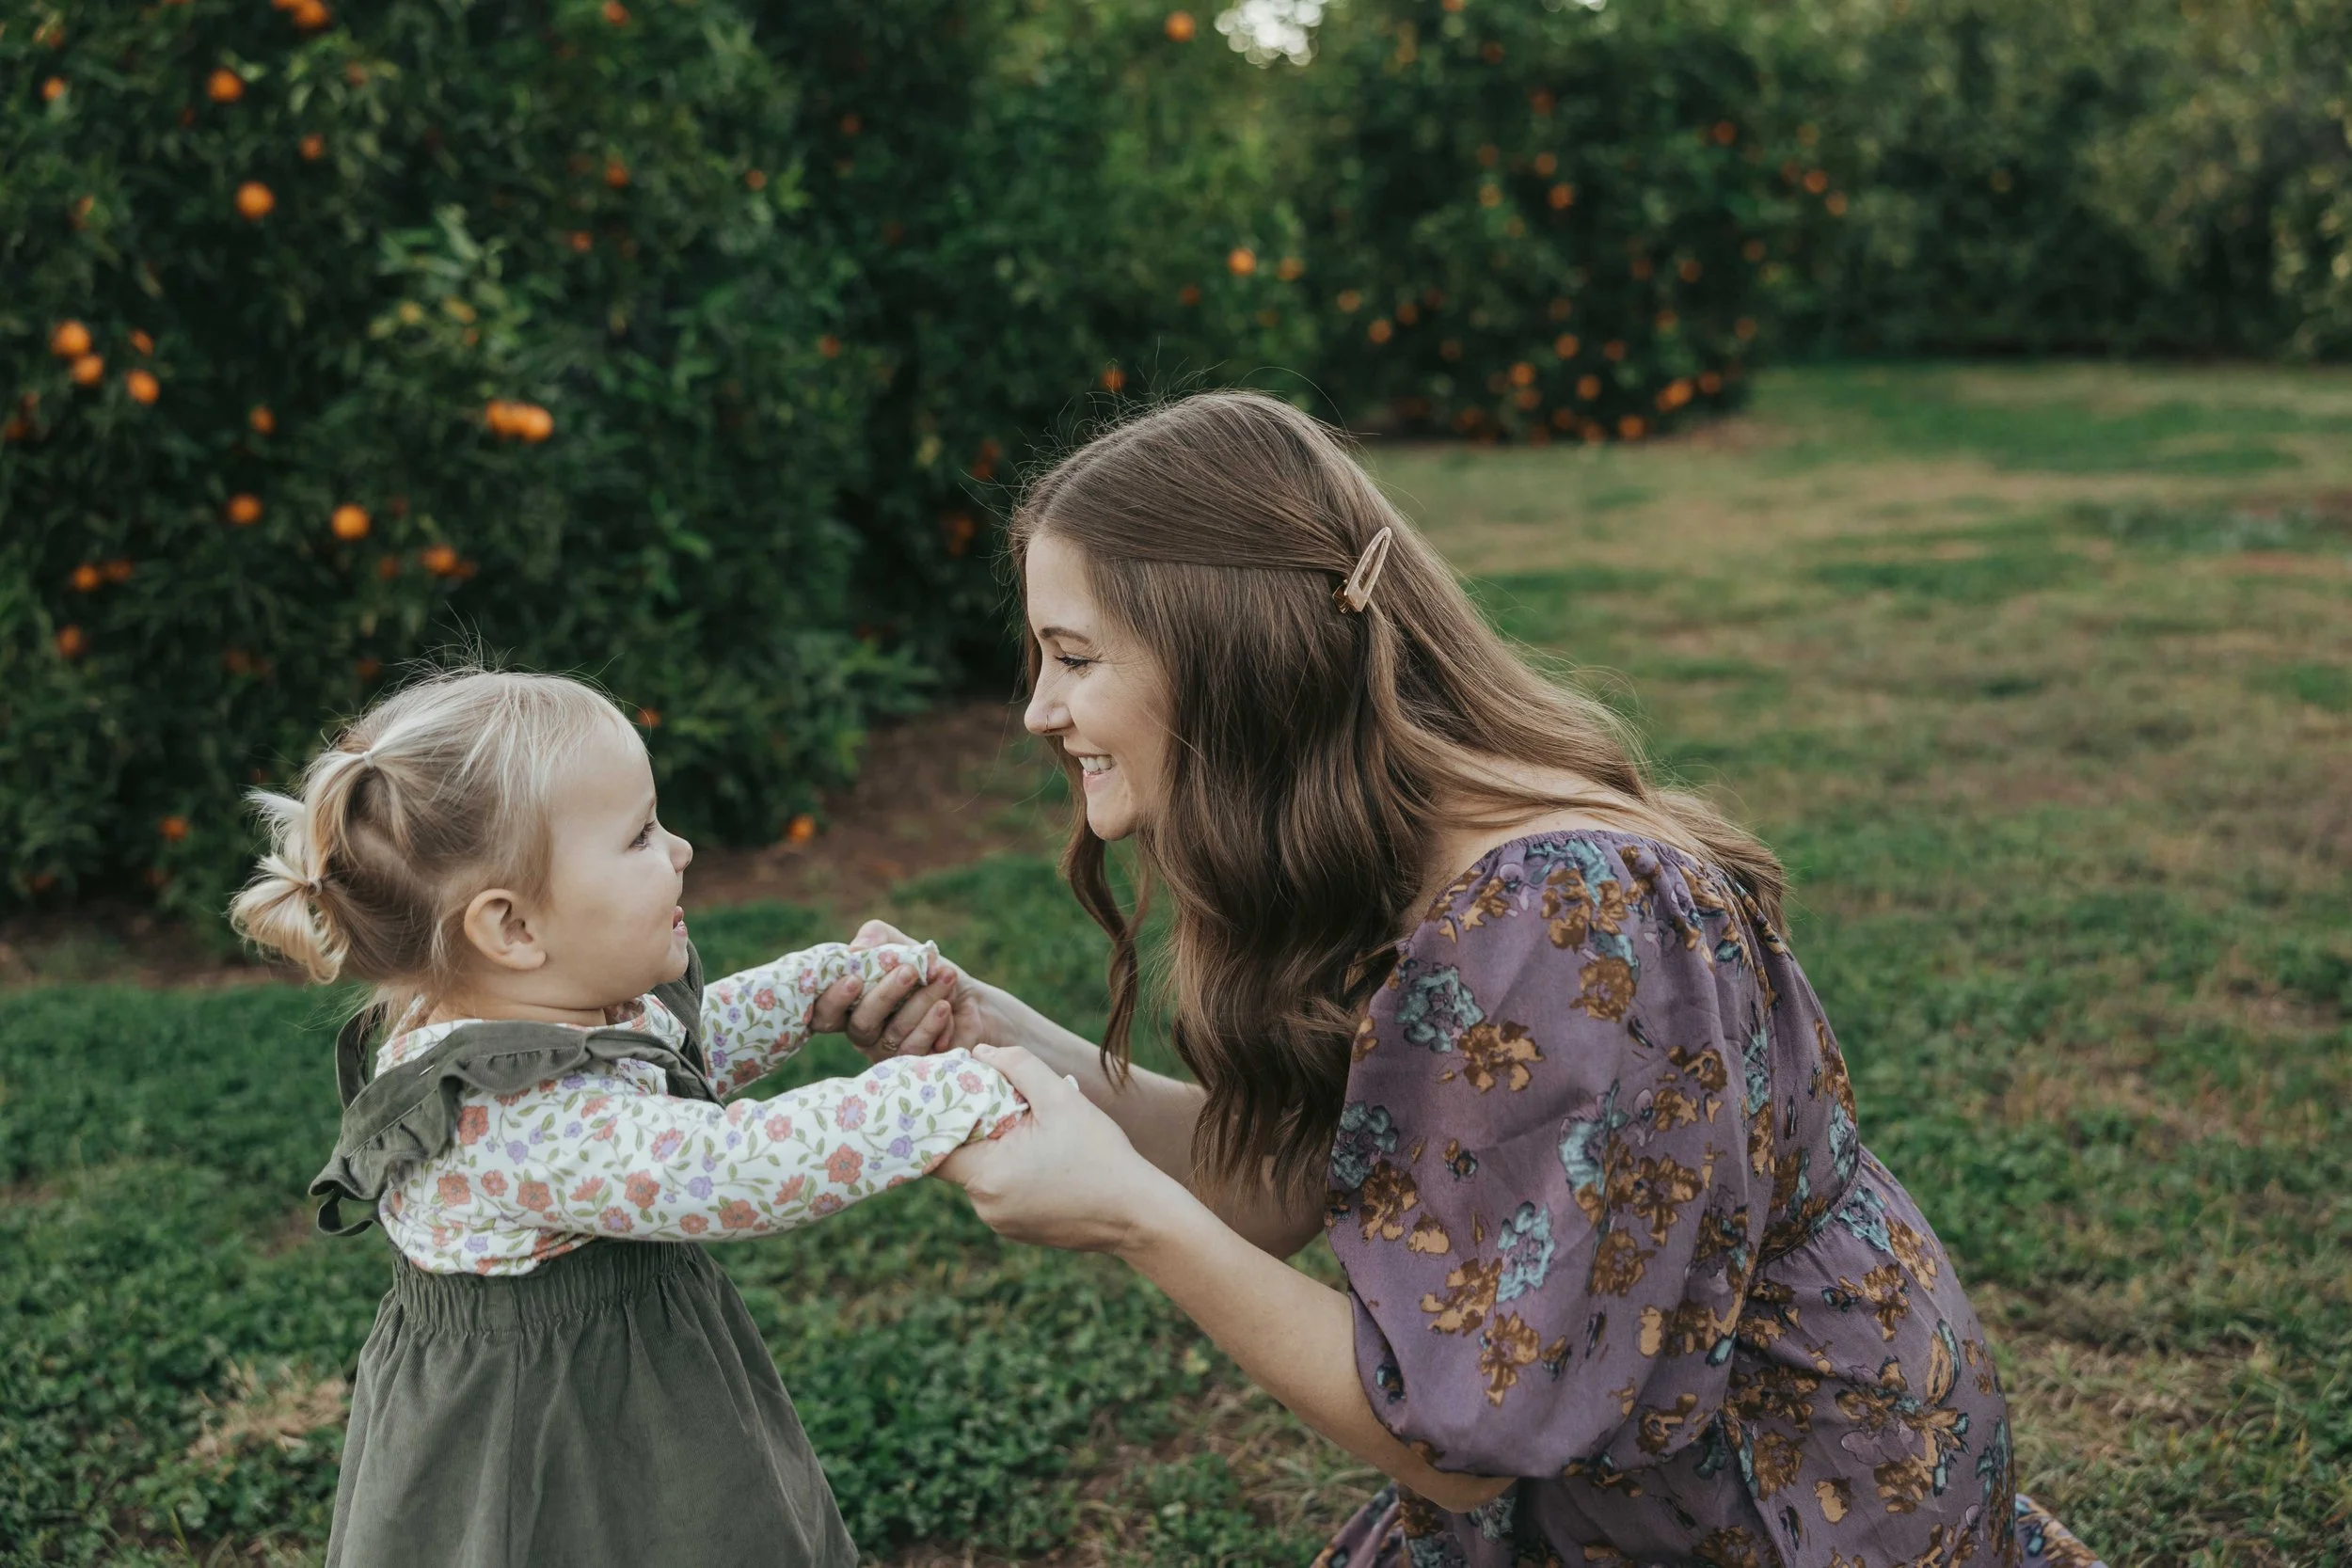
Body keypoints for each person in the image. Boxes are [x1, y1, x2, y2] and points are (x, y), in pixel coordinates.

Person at [838, 391, 2107, 1568]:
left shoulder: (1553, 920)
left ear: (1226, 655)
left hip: (1775, 1499)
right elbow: (1281, 1180)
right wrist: (1002, 1038)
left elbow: (1450, 1445)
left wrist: (1128, 1210)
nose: (1036, 710)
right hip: (1619, 1476)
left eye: (1073, 654)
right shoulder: (1387, 848)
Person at [230, 666, 1025, 1568]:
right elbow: (733, 1169)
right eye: (642, 834)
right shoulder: (507, 1116)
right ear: (514, 929)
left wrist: (817, 988)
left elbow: (671, 1058)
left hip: (627, 1383)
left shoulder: (547, 1007)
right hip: (550, 1444)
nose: (680, 848)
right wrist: (954, 1092)